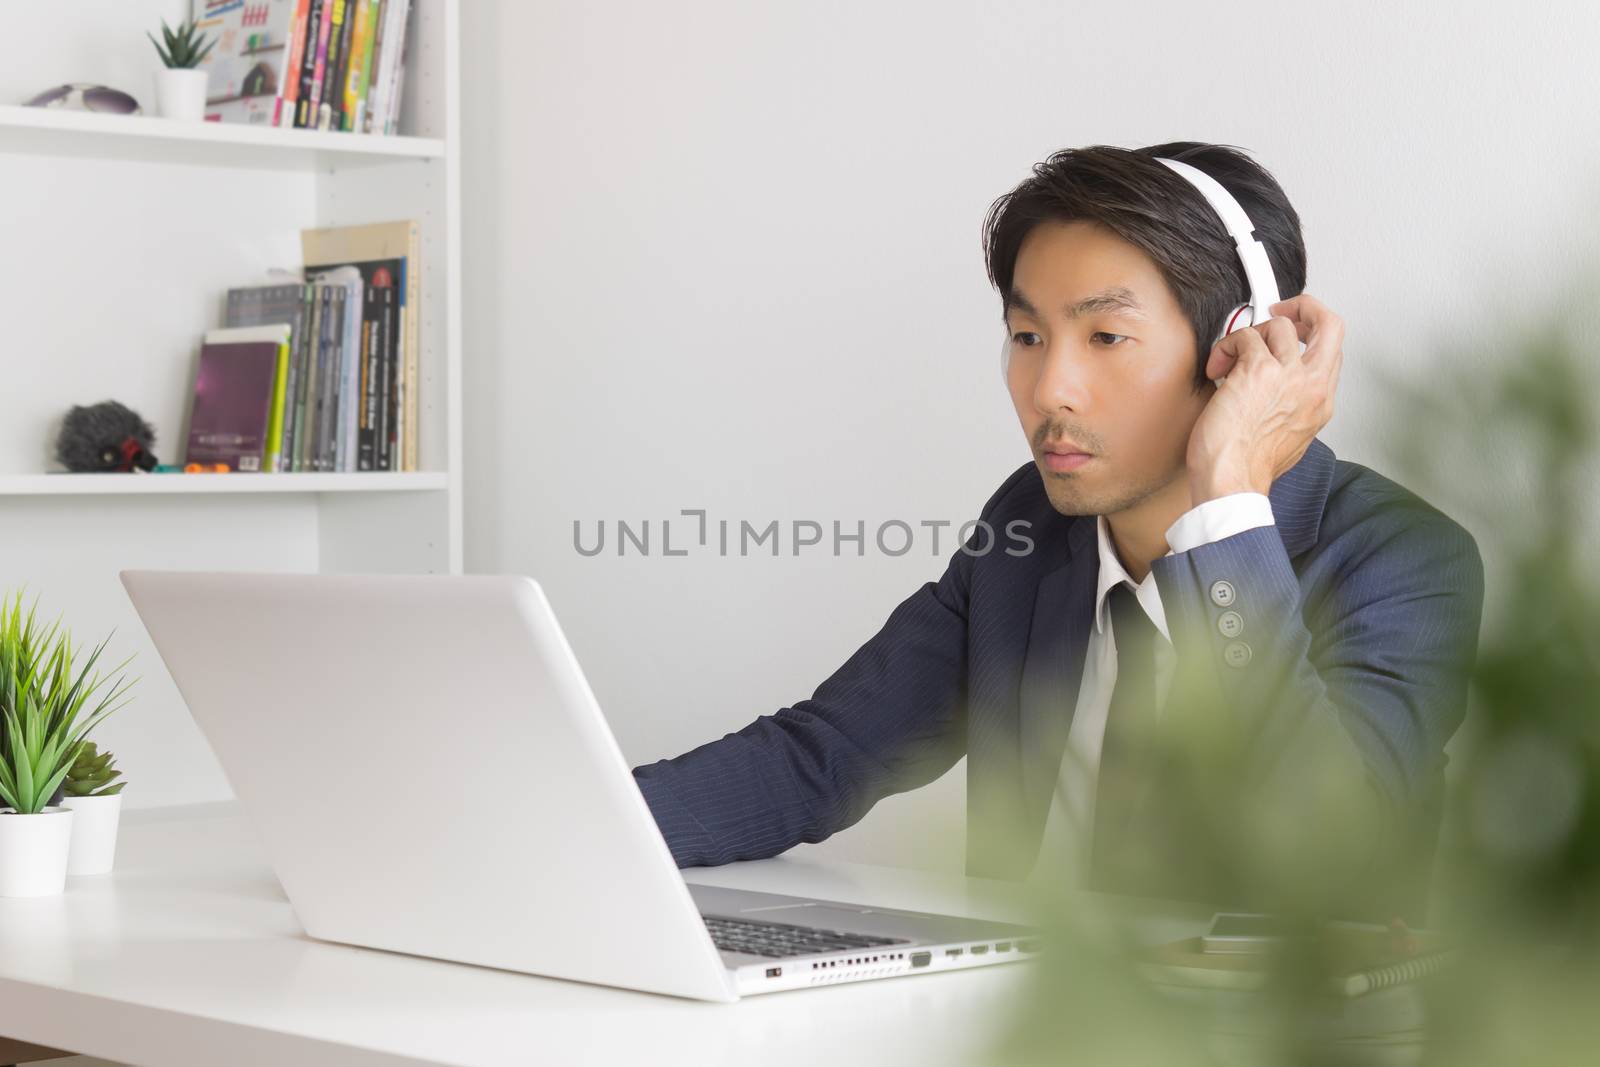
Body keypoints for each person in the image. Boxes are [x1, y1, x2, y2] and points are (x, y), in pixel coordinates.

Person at [630, 142, 1485, 922]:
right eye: (1027, 335)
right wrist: (548, 825)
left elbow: (1330, 861)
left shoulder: (1405, 560)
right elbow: (824, 755)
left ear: (1241, 350)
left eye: (1105, 335)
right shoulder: (1030, 528)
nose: (1049, 391)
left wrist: (1228, 501)